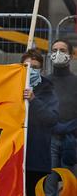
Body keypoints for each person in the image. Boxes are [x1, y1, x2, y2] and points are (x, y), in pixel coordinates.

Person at [20, 49, 58, 195]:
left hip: (36, 158)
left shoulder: (48, 90)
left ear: (41, 69)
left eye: (34, 67)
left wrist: (33, 101)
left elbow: (52, 118)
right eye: (27, 66)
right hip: (15, 156)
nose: (31, 70)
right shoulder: (12, 85)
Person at [45, 39, 77, 196]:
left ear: (71, 56)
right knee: (49, 186)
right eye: (54, 49)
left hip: (73, 140)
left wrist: (68, 127)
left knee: (70, 187)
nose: (58, 53)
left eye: (63, 50)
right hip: (49, 140)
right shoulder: (44, 82)